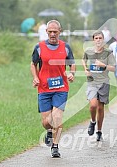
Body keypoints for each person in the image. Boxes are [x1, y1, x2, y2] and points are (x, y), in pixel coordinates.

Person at [30, 20, 75, 158]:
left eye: (55, 32)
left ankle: (55, 146)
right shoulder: (39, 47)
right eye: (50, 32)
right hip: (44, 88)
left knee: (57, 118)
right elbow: (33, 64)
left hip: (61, 88)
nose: (52, 34)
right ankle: (49, 131)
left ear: (60, 31)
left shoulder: (66, 47)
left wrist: (71, 73)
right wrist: (36, 77)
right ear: (46, 32)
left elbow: (72, 64)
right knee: (46, 122)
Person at [82, 30, 116, 141]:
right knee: (93, 105)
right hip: (92, 82)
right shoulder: (88, 51)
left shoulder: (108, 52)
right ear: (93, 40)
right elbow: (83, 60)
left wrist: (104, 65)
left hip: (104, 82)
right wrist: (86, 69)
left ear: (103, 40)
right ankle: (92, 122)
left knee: (101, 108)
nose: (98, 40)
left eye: (100, 38)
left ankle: (99, 131)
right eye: (96, 38)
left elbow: (114, 68)